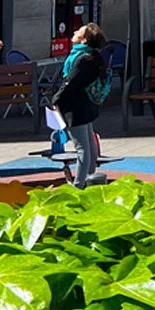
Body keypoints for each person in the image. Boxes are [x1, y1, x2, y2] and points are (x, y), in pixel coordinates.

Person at [51, 23, 109, 189]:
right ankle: (89, 178)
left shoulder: (83, 59)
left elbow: (71, 82)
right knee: (88, 143)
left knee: (82, 147)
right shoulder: (91, 56)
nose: (75, 31)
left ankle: (79, 185)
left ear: (84, 40)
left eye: (79, 31)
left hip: (75, 106)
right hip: (86, 104)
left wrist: (56, 99)